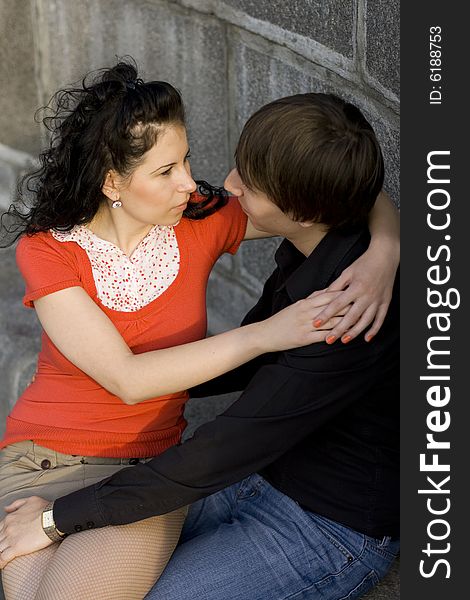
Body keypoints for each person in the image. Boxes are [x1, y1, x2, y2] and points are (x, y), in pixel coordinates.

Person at [0, 90, 400, 600]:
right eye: (167, 170)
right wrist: (386, 248)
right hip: (235, 473)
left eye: (248, 183)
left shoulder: (344, 309)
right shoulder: (309, 247)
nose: (218, 185)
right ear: (112, 182)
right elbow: (139, 379)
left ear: (299, 207)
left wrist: (57, 519)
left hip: (323, 519)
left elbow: (227, 445)